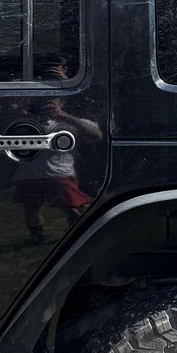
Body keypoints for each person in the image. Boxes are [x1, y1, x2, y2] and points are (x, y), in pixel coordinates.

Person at [12, 55, 103, 244]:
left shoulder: (69, 122)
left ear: (63, 100)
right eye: (45, 98)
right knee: (31, 208)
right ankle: (37, 238)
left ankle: (77, 238)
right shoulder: (26, 119)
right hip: (29, 174)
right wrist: (21, 103)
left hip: (59, 173)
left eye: (55, 99)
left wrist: (63, 116)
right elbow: (9, 128)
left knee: (72, 207)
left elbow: (96, 135)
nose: (49, 102)